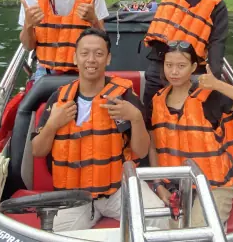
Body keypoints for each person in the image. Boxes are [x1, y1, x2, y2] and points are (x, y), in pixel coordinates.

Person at [31, 28, 168, 232]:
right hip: (73, 195)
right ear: (75, 58)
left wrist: (136, 118)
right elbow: (37, 151)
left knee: (158, 217)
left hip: (118, 189)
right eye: (85, 53)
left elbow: (140, 151)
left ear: (109, 58)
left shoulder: (124, 97)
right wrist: (52, 125)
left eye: (99, 53)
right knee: (55, 234)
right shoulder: (59, 99)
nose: (91, 59)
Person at [147, 41, 233, 227]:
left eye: (181, 66)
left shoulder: (211, 97)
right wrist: (159, 185)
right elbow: (153, 146)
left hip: (215, 187)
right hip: (177, 187)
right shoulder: (157, 100)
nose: (174, 72)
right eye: (169, 65)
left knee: (194, 234)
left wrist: (218, 84)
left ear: (193, 67)